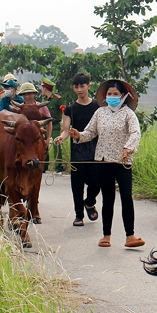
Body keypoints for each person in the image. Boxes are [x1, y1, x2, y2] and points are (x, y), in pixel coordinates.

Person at [68, 78, 143, 249]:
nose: (112, 97)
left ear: (124, 96)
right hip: (103, 161)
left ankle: (130, 236)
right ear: (105, 96)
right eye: (109, 94)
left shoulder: (128, 114)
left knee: (126, 197)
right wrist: (78, 135)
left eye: (116, 94)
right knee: (108, 199)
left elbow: (135, 133)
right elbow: (90, 132)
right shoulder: (100, 113)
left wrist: (128, 148)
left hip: (123, 162)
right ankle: (106, 236)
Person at [54, 73, 101, 227]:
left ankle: (89, 202)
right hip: (78, 152)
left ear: (89, 86)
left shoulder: (98, 106)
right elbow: (66, 129)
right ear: (73, 88)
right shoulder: (70, 109)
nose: (79, 89)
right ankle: (78, 215)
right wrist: (61, 137)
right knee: (77, 185)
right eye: (76, 86)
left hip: (96, 150)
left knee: (96, 183)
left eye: (82, 86)